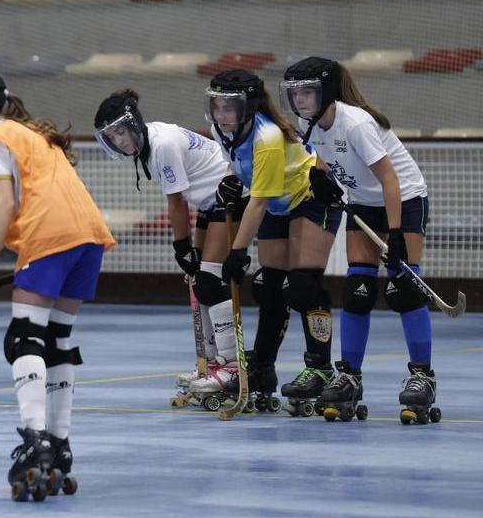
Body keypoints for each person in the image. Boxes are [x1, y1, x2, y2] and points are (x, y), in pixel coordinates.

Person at [0, 72, 114, 500]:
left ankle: (34, 440)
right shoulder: (28, 131)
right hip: (88, 236)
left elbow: (7, 203)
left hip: (51, 236)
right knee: (56, 339)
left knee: (24, 338)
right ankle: (60, 444)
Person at [281, 56, 438, 423]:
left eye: (307, 92)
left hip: (405, 198)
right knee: (358, 288)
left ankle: (422, 376)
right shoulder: (311, 124)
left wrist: (395, 234)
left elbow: (390, 180)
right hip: (364, 203)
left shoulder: (355, 124)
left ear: (327, 92)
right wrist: (322, 178)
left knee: (405, 285)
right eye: (295, 93)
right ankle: (350, 375)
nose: (300, 100)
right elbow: (323, 156)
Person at [93, 89, 249, 407]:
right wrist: (186, 252)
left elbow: (175, 202)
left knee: (208, 280)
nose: (120, 141)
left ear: (135, 125)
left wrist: (181, 246)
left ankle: (233, 367)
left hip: (231, 198)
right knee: (198, 281)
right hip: (209, 203)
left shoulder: (161, 145)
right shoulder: (152, 144)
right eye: (112, 136)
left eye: (122, 132)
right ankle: (213, 363)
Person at [206, 69, 343, 417]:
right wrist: (228, 180)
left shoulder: (266, 136)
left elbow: (259, 201)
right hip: (279, 202)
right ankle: (263, 365)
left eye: (228, 107)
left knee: (302, 285)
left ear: (248, 107)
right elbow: (238, 168)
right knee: (268, 285)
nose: (220, 115)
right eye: (216, 106)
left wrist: (236, 251)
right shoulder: (224, 131)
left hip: (310, 197)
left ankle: (320, 367)